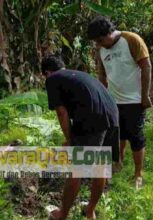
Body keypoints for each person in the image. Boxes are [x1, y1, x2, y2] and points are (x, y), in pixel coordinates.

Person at [42, 55, 119, 220]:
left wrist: (70, 140)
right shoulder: (78, 75)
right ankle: (90, 211)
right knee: (100, 166)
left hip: (92, 121)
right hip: (112, 115)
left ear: (47, 72)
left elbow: (62, 113)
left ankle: (62, 214)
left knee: (76, 170)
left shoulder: (53, 79)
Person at [87, 16, 152, 189]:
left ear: (109, 32)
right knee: (116, 134)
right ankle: (118, 162)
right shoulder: (100, 50)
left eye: (101, 40)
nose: (99, 44)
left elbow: (146, 67)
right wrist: (102, 97)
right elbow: (102, 75)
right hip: (113, 100)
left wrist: (145, 96)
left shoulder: (131, 40)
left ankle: (138, 174)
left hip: (134, 100)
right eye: (96, 42)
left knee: (135, 137)